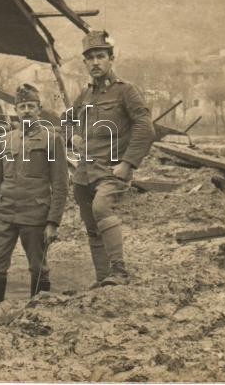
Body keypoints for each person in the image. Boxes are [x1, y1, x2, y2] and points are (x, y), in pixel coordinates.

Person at [68, 30, 155, 287]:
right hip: (84, 173)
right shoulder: (85, 96)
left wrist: (128, 164)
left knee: (101, 208)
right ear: (84, 63)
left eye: (100, 56)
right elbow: (67, 121)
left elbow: (145, 127)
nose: (95, 62)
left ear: (111, 59)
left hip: (111, 169)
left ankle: (119, 271)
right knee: (91, 224)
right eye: (90, 58)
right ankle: (103, 279)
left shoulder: (126, 91)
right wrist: (73, 135)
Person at [0, 84, 68, 302]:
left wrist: (53, 222)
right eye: (22, 106)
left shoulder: (52, 139)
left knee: (38, 267)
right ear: (16, 110)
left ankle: (39, 312)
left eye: (31, 106)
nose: (26, 110)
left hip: (35, 215)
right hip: (4, 213)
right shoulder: (6, 140)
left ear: (39, 109)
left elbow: (60, 185)